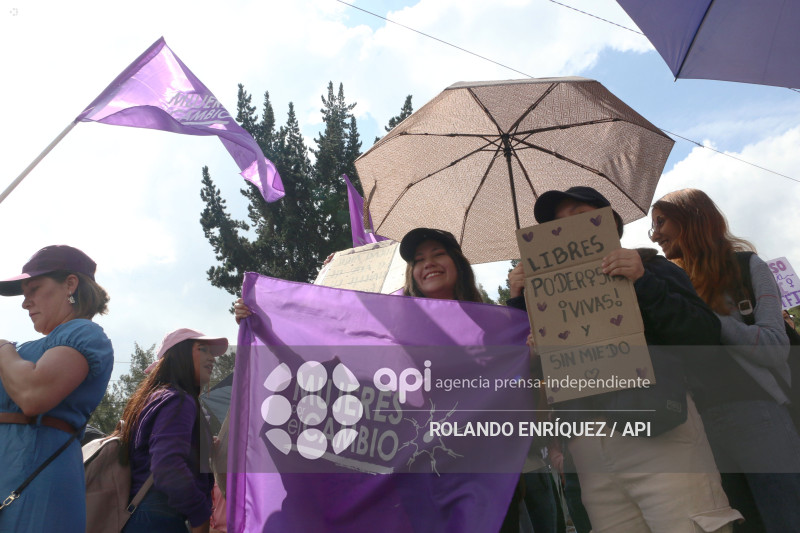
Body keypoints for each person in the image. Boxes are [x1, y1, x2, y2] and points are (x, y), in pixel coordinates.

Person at [507, 186, 741, 533]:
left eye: (578, 215)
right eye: (557, 223)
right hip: (588, 450)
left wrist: (644, 282)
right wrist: (517, 302)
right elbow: (527, 373)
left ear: (608, 223)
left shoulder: (651, 267)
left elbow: (703, 335)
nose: (566, 226)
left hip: (659, 432)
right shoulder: (542, 297)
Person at [651, 188, 800, 532]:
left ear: (692, 219)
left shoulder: (748, 266)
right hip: (698, 427)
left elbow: (776, 346)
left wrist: (707, 319)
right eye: (652, 227)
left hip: (759, 413)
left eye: (661, 222)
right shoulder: (669, 286)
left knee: (786, 518)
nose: (656, 234)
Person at [0, 245, 113, 532]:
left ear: (70, 284)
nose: (26, 303)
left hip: (35, 483)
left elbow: (32, 395)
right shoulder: (26, 348)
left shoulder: (83, 333)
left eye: (34, 289)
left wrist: (2, 348)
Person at [118, 328, 228, 533]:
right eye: (203, 349)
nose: (212, 358)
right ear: (180, 355)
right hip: (161, 520)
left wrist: (200, 448)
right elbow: (167, 466)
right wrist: (200, 515)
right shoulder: (178, 400)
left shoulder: (157, 397)